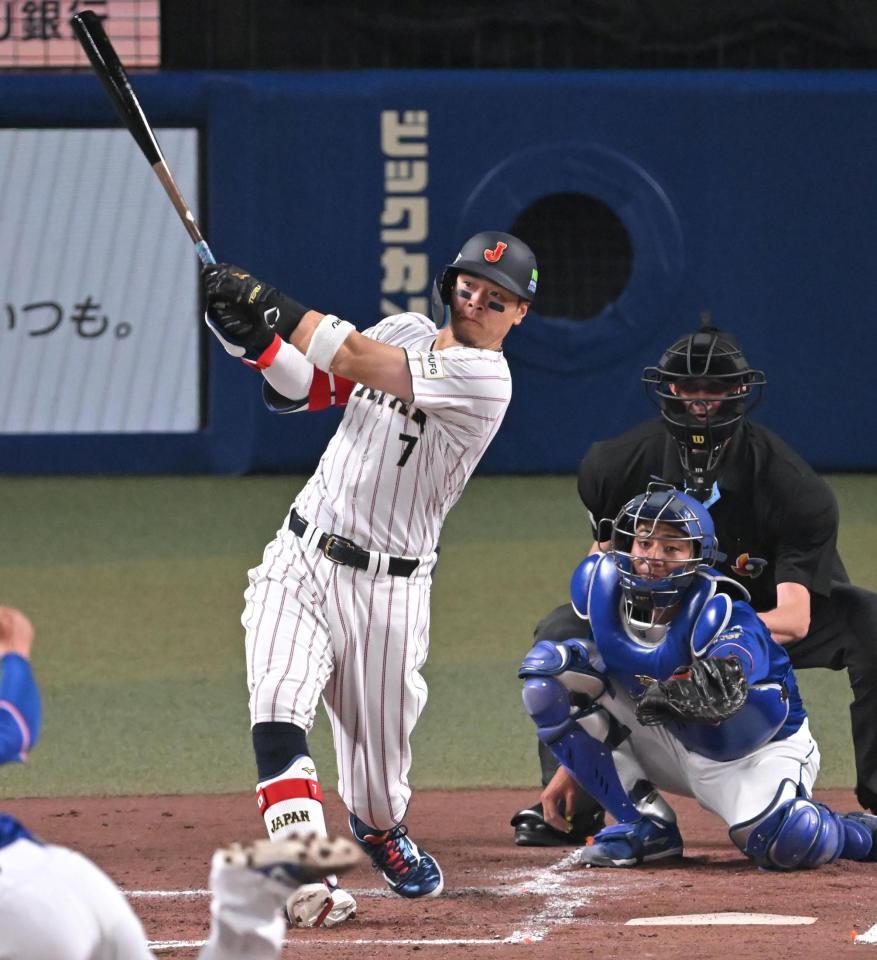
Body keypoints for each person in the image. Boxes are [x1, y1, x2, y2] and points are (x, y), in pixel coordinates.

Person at [201, 231, 538, 924]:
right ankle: (302, 880)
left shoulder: (486, 380)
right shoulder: (408, 330)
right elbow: (311, 387)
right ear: (451, 284)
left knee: (378, 786)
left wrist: (266, 301)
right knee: (278, 707)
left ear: (518, 313)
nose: (476, 302)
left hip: (390, 592)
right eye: (469, 286)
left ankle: (380, 829)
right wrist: (252, 343)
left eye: (496, 297)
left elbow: (350, 353)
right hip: (299, 556)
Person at [511, 319, 877, 846]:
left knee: (869, 622)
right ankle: (577, 799)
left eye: (717, 388)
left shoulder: (791, 485)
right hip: (662, 622)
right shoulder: (617, 465)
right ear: (670, 389)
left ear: (740, 392)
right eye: (691, 388)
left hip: (760, 624)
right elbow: (600, 597)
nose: (703, 401)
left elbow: (795, 620)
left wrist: (709, 647)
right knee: (562, 632)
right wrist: (578, 752)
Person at [518, 485, 877, 870]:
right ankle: (644, 826)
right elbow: (584, 692)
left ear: (696, 558)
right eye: (644, 543)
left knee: (791, 840)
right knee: (547, 674)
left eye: (671, 549)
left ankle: (858, 833)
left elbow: (731, 679)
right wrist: (574, 766)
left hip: (751, 751)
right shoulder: (601, 591)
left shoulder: (721, 610)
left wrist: (701, 683)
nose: (653, 557)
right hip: (668, 735)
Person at [0, 605, 361, 959]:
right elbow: (13, 727)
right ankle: (240, 914)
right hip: (28, 882)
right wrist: (15, 654)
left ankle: (242, 915)